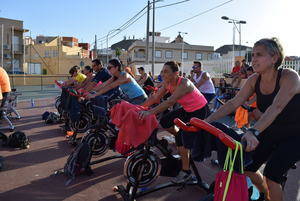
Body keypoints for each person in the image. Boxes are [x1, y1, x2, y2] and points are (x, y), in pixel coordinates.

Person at [205, 38, 300, 201]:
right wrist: (205, 122)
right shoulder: (254, 79)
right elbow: (234, 103)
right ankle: (264, 195)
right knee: (247, 167)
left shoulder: (289, 77)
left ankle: (270, 191)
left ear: (274, 58)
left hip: (295, 134)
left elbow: (276, 107)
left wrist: (253, 131)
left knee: (271, 176)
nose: (253, 59)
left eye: (259, 55)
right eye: (253, 55)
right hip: (271, 129)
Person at [138, 61, 209, 183]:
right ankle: (178, 138)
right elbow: (156, 98)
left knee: (182, 138)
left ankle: (186, 171)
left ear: (176, 73)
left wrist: (150, 113)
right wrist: (139, 108)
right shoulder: (167, 83)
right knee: (165, 121)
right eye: (162, 71)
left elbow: (170, 102)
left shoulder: (184, 83)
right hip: (187, 110)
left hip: (199, 111)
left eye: (166, 72)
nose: (163, 74)